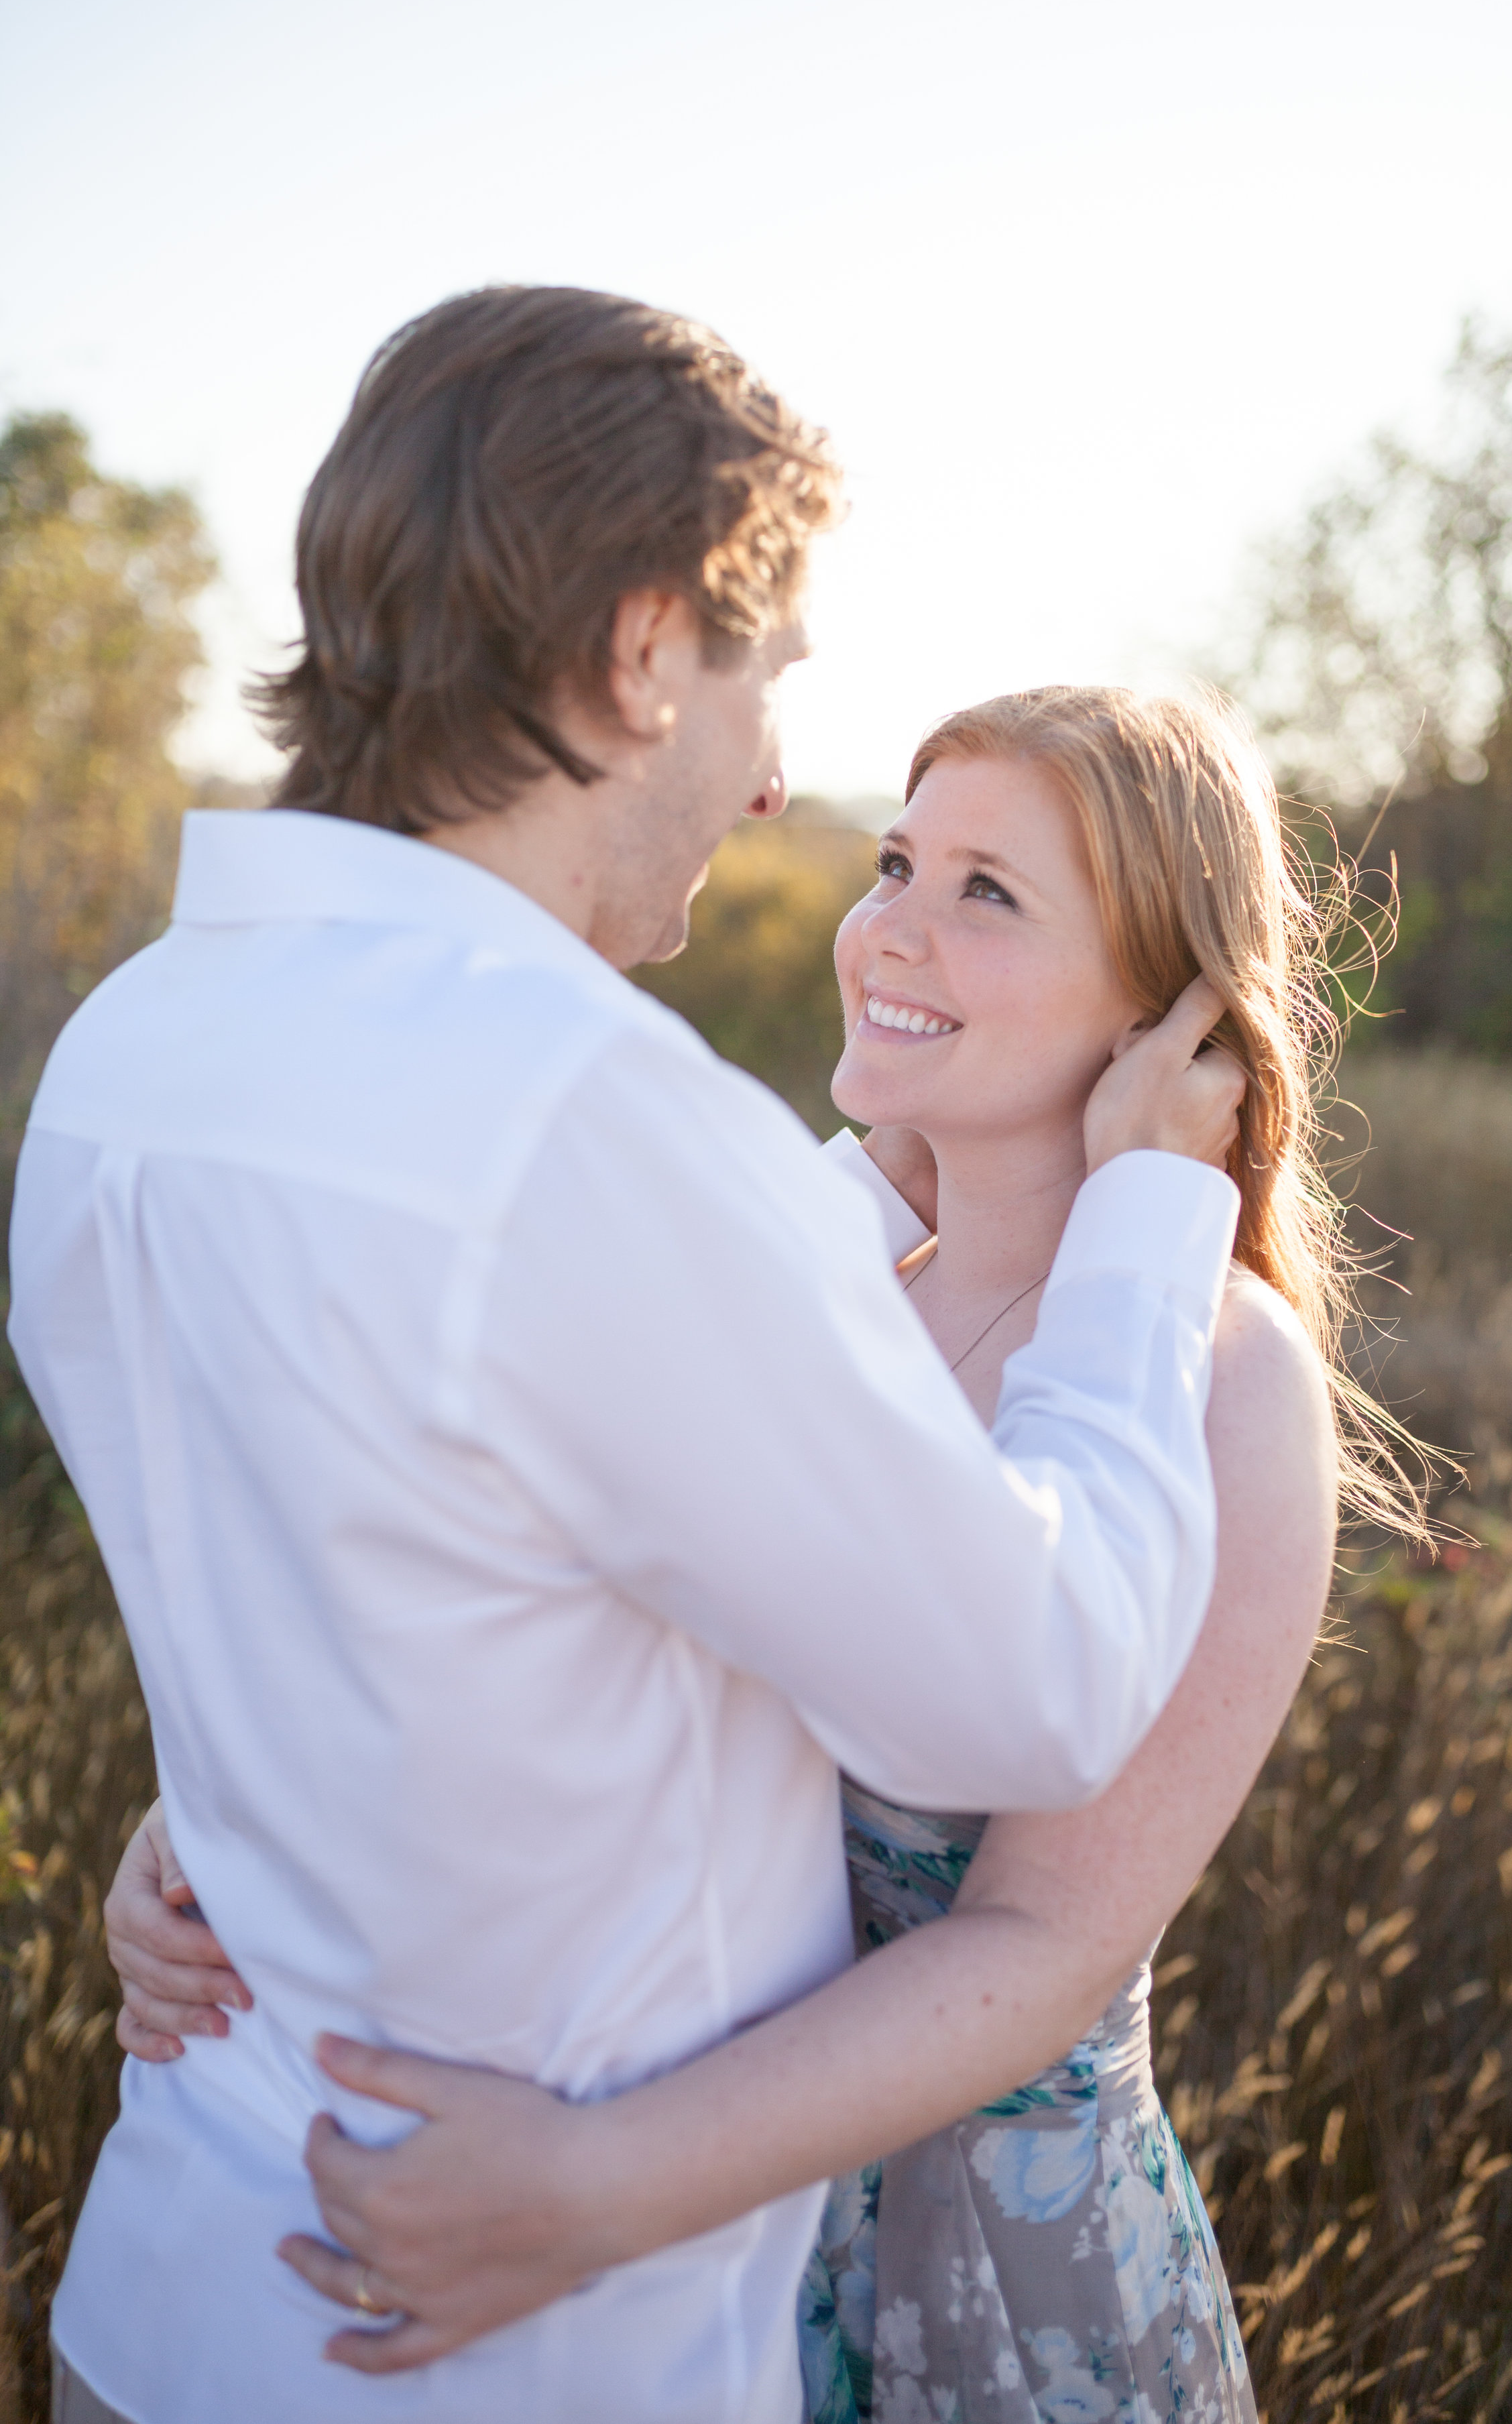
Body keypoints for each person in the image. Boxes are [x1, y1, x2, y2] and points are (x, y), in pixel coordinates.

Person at [8, 287, 1246, 2424]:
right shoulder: (585, 1128)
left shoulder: (127, 1054)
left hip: (172, 2279)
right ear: (644, 647)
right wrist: (1149, 1221)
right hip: (498, 2350)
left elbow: (357, 1606)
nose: (772, 778)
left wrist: (204, 1831)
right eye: (765, 684)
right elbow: (1041, 1680)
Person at [106, 687, 1419, 2416]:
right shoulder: (815, 1286)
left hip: (967, 2282)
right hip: (671, 2268)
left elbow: (1038, 1951)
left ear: (1166, 1006)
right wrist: (204, 1837)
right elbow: (486, 1616)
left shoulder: (1223, 1379)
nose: (888, 928)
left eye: (987, 893)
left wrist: (588, 2191)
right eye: (897, 862)